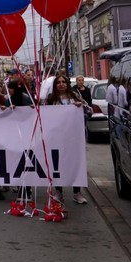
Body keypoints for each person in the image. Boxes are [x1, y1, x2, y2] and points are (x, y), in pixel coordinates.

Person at [42, 75, 88, 205]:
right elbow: (42, 113)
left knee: (75, 163)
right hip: (56, 137)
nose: (61, 84)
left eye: (63, 82)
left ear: (67, 84)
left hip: (73, 138)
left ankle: (77, 192)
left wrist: (81, 106)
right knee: (57, 164)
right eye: (58, 82)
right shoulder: (50, 99)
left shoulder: (74, 97)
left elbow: (89, 110)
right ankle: (59, 192)